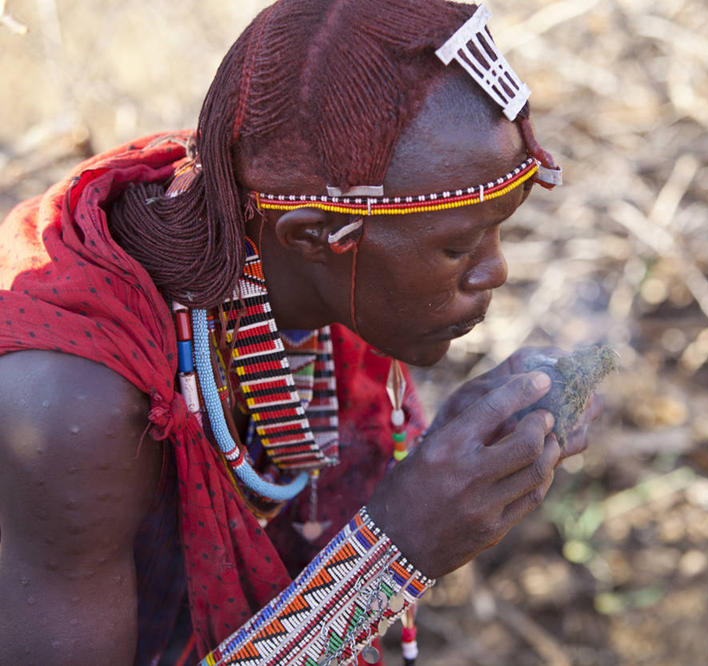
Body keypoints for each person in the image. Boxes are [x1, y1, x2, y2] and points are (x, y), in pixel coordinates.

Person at [0, 1, 596, 664]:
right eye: (457, 248)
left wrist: (459, 460)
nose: (495, 272)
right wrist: (398, 548)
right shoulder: (72, 408)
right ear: (311, 237)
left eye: (498, 230)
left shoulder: (270, 207)